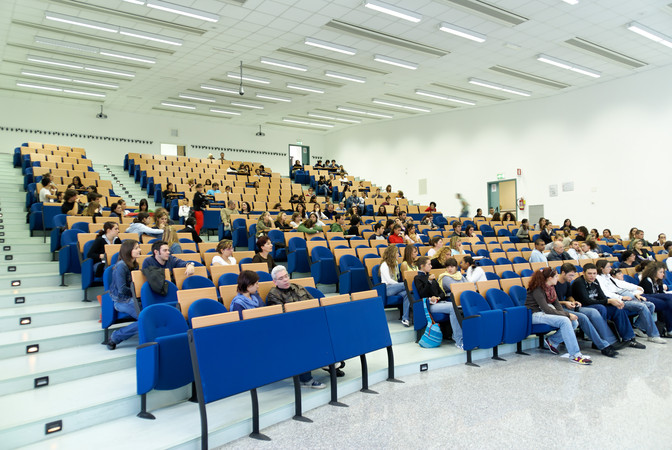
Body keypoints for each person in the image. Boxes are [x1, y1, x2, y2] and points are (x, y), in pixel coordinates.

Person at [265, 266, 339, 382]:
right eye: (281, 278)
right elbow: (282, 317)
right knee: (305, 338)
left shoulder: (298, 287)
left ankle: (329, 362)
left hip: (309, 322)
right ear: (275, 281)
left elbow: (314, 303)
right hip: (292, 328)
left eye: (286, 276)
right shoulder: (273, 295)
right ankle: (309, 376)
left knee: (328, 328)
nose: (285, 280)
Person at [525, 268, 592, 364]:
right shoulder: (537, 288)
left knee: (574, 322)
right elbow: (546, 309)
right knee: (565, 321)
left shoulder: (551, 288)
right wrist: (567, 315)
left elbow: (557, 305)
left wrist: (567, 316)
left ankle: (552, 341)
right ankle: (575, 355)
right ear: (549, 278)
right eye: (556, 276)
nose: (558, 278)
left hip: (544, 313)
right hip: (534, 315)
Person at [571, 263, 645, 349]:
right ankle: (603, 340)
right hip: (585, 307)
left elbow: (602, 297)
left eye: (594, 273)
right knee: (601, 308)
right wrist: (608, 301)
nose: (592, 276)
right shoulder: (578, 283)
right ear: (583, 273)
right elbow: (586, 301)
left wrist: (614, 301)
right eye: (589, 273)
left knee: (617, 309)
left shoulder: (595, 281)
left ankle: (629, 338)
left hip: (597, 305)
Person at [555, 263, 619, 357]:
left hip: (567, 306)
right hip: (559, 308)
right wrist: (565, 303)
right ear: (563, 273)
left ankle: (607, 340)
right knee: (584, 317)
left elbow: (569, 296)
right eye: (570, 275)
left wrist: (573, 301)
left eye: (573, 275)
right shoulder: (554, 283)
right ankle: (604, 345)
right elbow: (551, 302)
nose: (572, 278)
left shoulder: (567, 283)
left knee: (593, 312)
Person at [595, 260, 665, 343]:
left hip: (624, 295)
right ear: (601, 268)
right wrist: (621, 297)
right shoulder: (598, 279)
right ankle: (653, 335)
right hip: (616, 299)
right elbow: (605, 293)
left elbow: (622, 284)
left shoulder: (608, 277)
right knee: (642, 306)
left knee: (650, 305)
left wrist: (636, 288)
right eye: (608, 267)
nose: (610, 268)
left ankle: (637, 327)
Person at [414, 256, 464, 350]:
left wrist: (438, 297)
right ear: (422, 266)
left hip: (439, 302)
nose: (431, 266)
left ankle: (456, 335)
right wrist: (429, 283)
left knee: (458, 306)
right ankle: (459, 340)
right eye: (429, 264)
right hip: (429, 305)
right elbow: (422, 294)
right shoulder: (418, 278)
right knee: (453, 307)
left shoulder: (431, 277)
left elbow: (442, 293)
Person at [106, 240, 142, 350]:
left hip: (133, 299)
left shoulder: (135, 264)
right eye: (136, 248)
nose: (139, 250)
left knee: (150, 316)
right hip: (122, 301)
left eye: (139, 247)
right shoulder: (121, 266)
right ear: (128, 251)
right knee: (146, 319)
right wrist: (138, 292)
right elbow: (122, 290)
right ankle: (115, 337)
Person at [639, 262, 672, 336]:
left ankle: (669, 329)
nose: (663, 274)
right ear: (653, 272)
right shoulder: (646, 280)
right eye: (661, 272)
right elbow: (650, 295)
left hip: (657, 299)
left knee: (669, 302)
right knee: (669, 301)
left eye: (663, 272)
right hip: (646, 298)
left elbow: (661, 293)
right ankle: (669, 329)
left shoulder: (659, 281)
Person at [380, 245, 410, 326]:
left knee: (407, 293)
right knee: (407, 285)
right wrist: (401, 285)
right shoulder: (384, 264)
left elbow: (396, 278)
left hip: (396, 288)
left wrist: (400, 285)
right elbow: (389, 280)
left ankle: (405, 318)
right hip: (387, 289)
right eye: (397, 253)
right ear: (392, 254)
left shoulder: (396, 263)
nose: (398, 254)